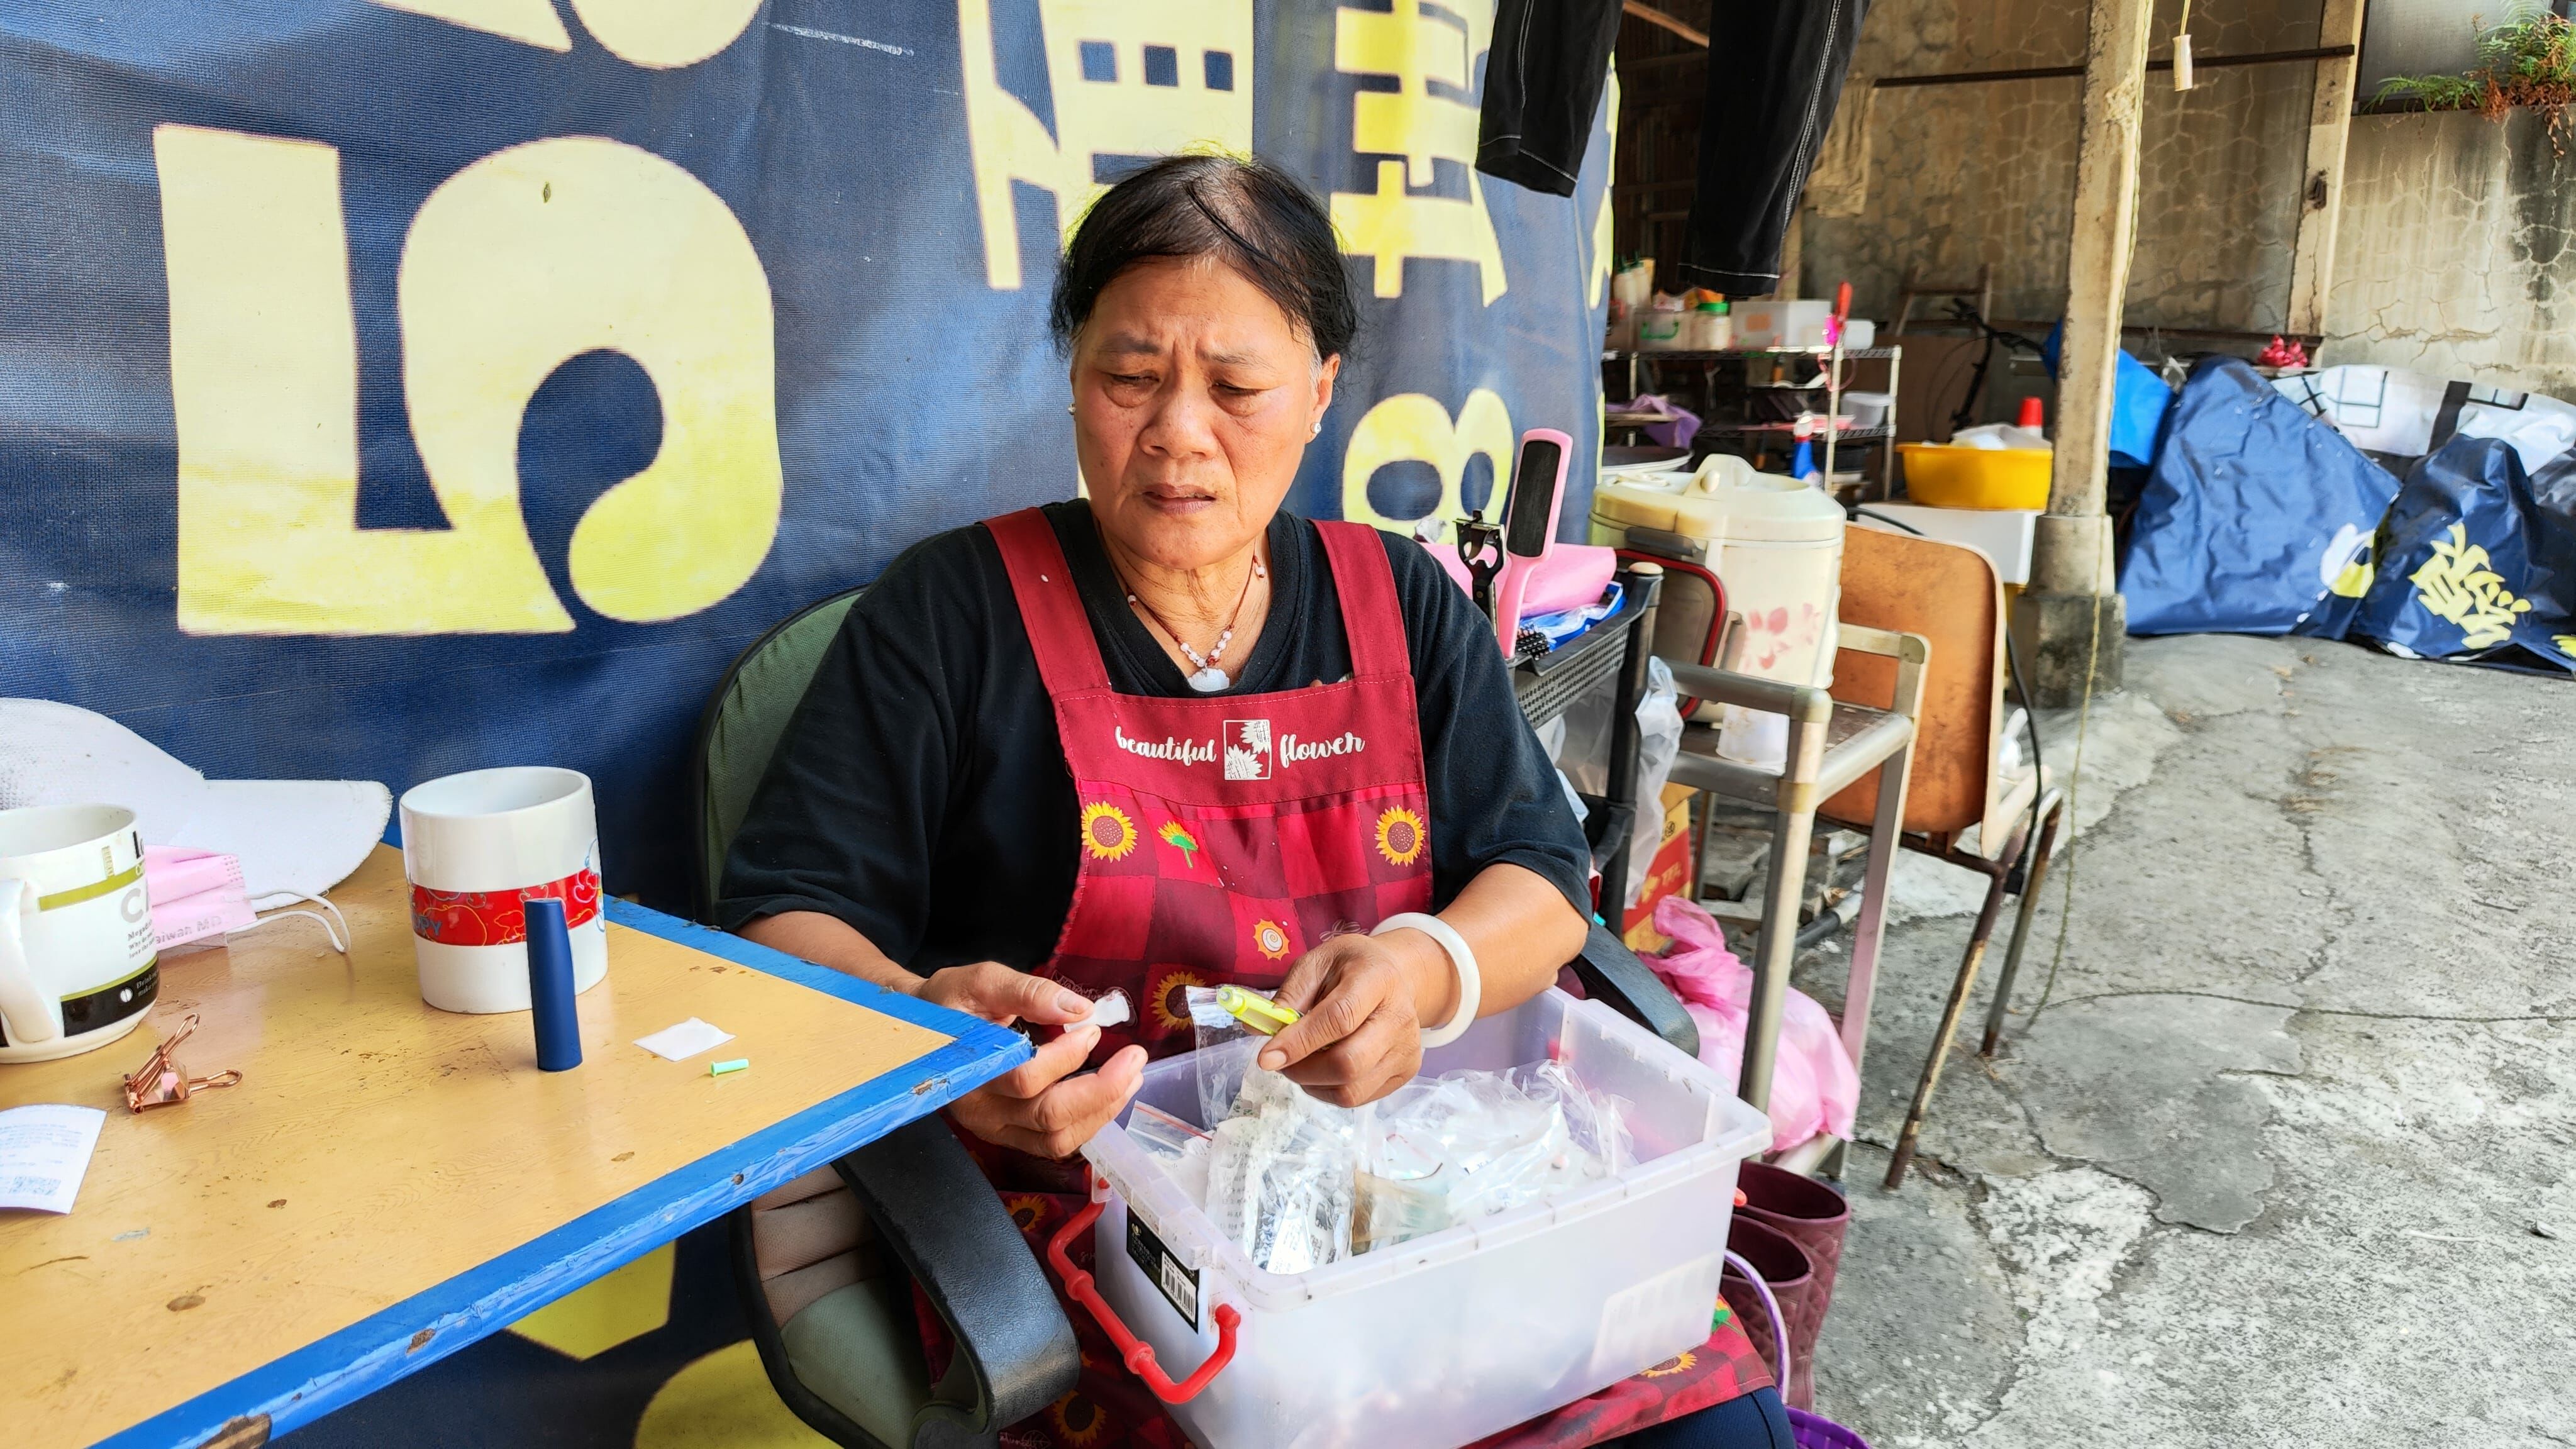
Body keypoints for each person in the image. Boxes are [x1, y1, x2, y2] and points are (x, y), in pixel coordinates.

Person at [721, 153, 1792, 1449]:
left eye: (1235, 388)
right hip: (1104, 1229)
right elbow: (785, 914)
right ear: (1072, 383)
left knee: (1704, 1427)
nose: (1178, 432)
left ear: (1319, 394)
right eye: (1129, 378)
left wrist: (1427, 968)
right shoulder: (949, 616)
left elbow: (1537, 875)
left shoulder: (1399, 604)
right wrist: (929, 1038)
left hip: (1390, 1189)